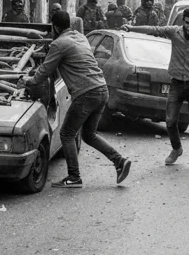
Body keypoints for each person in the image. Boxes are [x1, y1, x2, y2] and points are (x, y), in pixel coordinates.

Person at [19, 11, 131, 188]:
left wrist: (28, 81)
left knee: (66, 134)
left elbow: (45, 70)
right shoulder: (80, 37)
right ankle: (119, 161)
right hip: (101, 89)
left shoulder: (59, 44)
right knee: (89, 135)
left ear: (54, 27)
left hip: (86, 93)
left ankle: (74, 177)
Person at [123, 8, 189, 168]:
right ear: (183, 21)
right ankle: (176, 149)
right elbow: (154, 30)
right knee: (170, 121)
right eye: (187, 22)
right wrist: (132, 28)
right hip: (176, 83)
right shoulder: (174, 32)